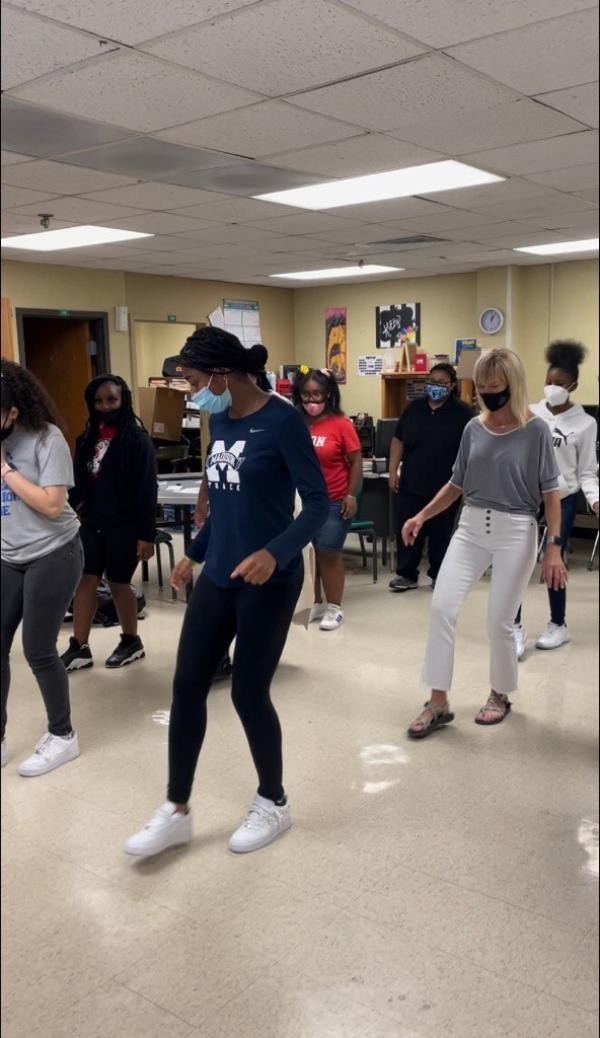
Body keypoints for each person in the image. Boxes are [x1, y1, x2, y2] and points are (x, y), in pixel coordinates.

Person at [124, 329, 328, 859]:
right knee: (186, 685)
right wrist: (194, 554)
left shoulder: (282, 421)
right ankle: (176, 810)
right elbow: (224, 504)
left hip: (269, 580)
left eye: (194, 381)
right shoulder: (221, 422)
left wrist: (275, 553)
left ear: (221, 374)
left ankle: (274, 801)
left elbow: (318, 505)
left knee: (247, 693)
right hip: (218, 574)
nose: (193, 393)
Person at [403, 348, 566, 738]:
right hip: (471, 525)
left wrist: (554, 548)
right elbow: (456, 484)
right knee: (442, 607)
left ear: (513, 385)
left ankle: (500, 694)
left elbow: (551, 494)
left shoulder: (536, 431)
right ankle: (437, 702)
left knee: (499, 620)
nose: (489, 394)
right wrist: (421, 516)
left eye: (496, 387)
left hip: (517, 529)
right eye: (482, 388)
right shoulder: (473, 429)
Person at [1, 360, 83, 776]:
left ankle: (63, 736)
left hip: (55, 551)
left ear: (13, 410)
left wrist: (4, 470)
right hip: (9, 555)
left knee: (37, 648)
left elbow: (53, 505)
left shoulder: (46, 438)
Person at [61, 375, 157, 672]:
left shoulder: (137, 440)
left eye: (111, 400)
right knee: (85, 581)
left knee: (118, 582)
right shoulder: (87, 438)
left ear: (123, 400)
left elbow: (147, 489)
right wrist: (72, 508)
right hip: (92, 522)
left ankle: (131, 641)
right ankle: (79, 646)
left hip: (125, 524)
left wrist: (147, 535)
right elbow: (79, 481)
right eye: (98, 401)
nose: (105, 406)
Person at [513, 340, 599, 656]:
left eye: (560, 384)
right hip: (526, 496)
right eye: (548, 381)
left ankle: (558, 625)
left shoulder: (586, 424)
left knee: (554, 560)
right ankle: (514, 627)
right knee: (516, 560)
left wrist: (595, 499)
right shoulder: (530, 413)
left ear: (573, 386)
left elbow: (587, 471)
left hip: (563, 498)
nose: (552, 388)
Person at [388, 363, 474, 593]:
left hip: (445, 487)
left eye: (442, 383)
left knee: (441, 536)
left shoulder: (464, 413)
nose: (436, 386)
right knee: (408, 531)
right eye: (432, 381)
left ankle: (439, 575)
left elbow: (473, 449)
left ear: (452, 385)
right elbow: (398, 440)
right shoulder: (414, 409)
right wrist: (393, 470)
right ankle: (406, 575)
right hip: (411, 484)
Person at [292, 366, 362, 631]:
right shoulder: (295, 423)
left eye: (317, 394)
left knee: (328, 552)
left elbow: (356, 462)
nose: (311, 400)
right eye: (306, 395)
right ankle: (315, 601)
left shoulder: (341, 424)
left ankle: (335, 607)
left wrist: (350, 495)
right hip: (302, 501)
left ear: (328, 394)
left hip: (333, 500)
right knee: (307, 553)